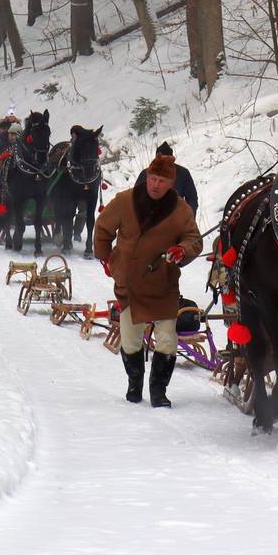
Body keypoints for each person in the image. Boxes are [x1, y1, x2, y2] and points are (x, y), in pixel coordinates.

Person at [95, 155, 202, 407]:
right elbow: (103, 229)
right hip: (129, 281)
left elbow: (194, 240)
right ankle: (134, 384)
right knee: (131, 337)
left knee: (167, 338)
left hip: (163, 282)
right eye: (153, 179)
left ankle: (158, 391)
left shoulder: (181, 210)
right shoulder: (125, 201)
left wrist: (181, 250)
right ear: (147, 177)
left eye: (162, 181)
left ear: (171, 183)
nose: (155, 185)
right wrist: (105, 258)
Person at [133, 141, 199, 213]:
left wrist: (188, 218)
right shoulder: (146, 173)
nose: (164, 162)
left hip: (176, 217)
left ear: (171, 159)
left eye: (166, 159)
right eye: (161, 159)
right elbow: (135, 197)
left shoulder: (183, 173)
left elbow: (192, 198)